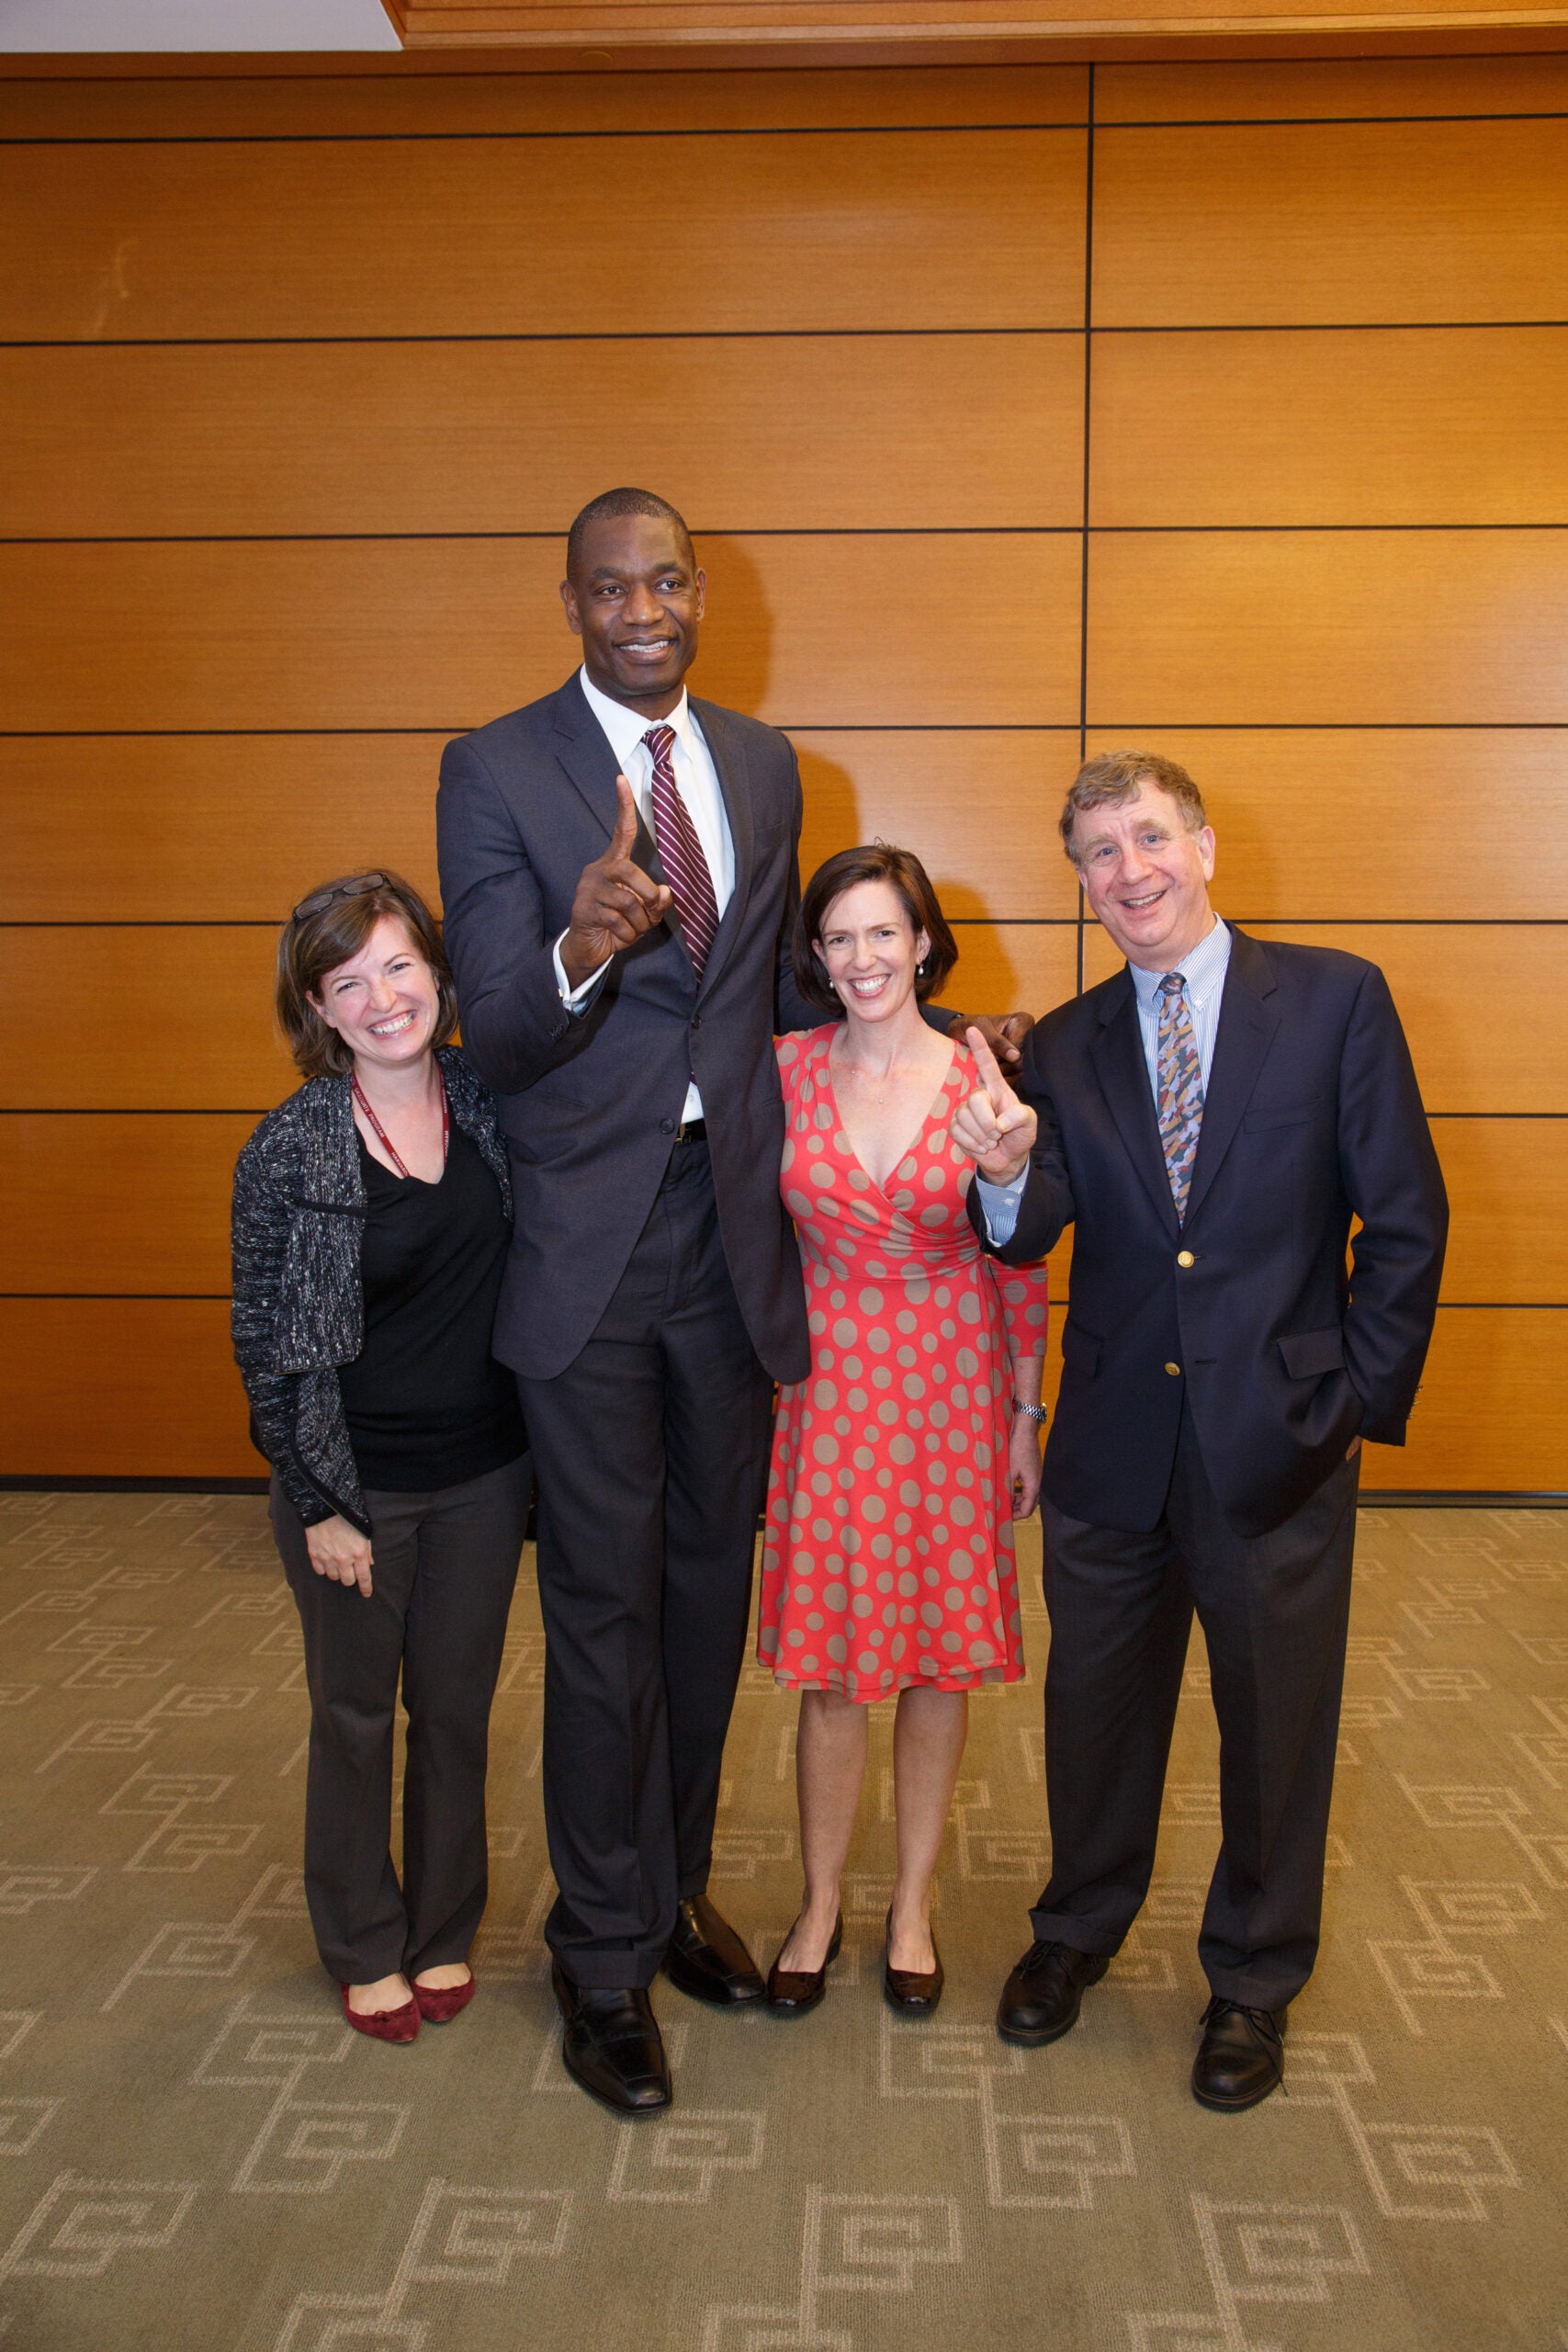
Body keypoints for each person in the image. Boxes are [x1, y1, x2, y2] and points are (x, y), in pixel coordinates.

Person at [435, 486, 1028, 2114]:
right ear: (569, 604)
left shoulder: (764, 766)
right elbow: (494, 1022)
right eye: (610, 586)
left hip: (742, 1236)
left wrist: (954, 1043)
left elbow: (779, 987)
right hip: (591, 1250)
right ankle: (599, 1952)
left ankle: (674, 1885)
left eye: (669, 579)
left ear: (702, 596)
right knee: (606, 1609)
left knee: (707, 1596)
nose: (644, 607)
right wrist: (577, 944)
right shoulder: (494, 770)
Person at [955, 750, 1448, 2109]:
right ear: (1080, 884)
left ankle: (1250, 1976)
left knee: (1271, 1722)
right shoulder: (1061, 1041)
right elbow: (1033, 1217)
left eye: (1148, 839)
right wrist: (999, 1171)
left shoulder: (1334, 1002)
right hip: (1111, 1444)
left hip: (1275, 1439)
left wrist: (1345, 1405)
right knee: (1093, 1711)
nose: (1129, 872)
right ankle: (1076, 1931)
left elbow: (1402, 1222)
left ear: (1205, 847)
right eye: (1098, 855)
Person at [231, 871, 531, 2043]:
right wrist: (318, 1501)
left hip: (486, 1474)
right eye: (346, 981)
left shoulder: (489, 1100)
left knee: (456, 1711)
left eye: (399, 965)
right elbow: (263, 1343)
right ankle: (363, 1938)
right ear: (318, 1008)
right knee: (355, 1714)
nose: (381, 996)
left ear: (438, 975)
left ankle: (444, 1925)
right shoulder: (291, 1146)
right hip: (353, 1488)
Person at [757, 847, 1048, 2020]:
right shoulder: (780, 1068)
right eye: (839, 938)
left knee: (935, 1662)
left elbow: (1019, 1261)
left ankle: (914, 1903)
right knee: (829, 1673)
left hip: (951, 1387)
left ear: (925, 943)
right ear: (816, 958)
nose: (864, 958)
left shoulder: (985, 1076)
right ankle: (821, 1901)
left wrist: (1027, 1412)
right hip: (825, 1391)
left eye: (885, 934)